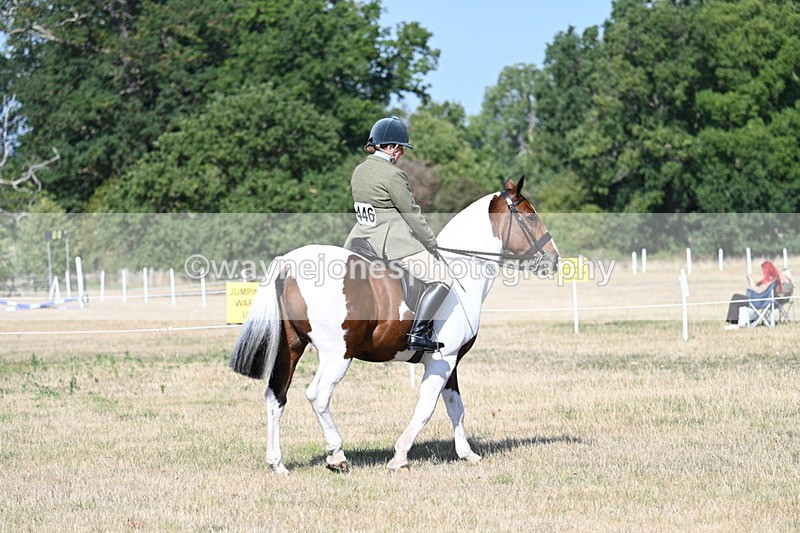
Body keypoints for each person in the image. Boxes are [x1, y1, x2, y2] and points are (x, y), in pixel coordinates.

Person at [344, 116, 451, 351]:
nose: (401, 153)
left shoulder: (359, 171)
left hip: (359, 238)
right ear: (391, 147)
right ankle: (419, 334)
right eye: (400, 147)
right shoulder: (393, 175)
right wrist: (431, 242)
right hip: (390, 244)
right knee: (443, 278)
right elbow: (411, 213)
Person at [725, 260, 784, 327]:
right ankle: (737, 321)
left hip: (758, 301)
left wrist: (752, 285)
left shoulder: (769, 280)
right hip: (761, 300)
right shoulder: (773, 280)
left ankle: (734, 323)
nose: (762, 271)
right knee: (736, 297)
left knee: (735, 297)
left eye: (763, 270)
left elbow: (759, 291)